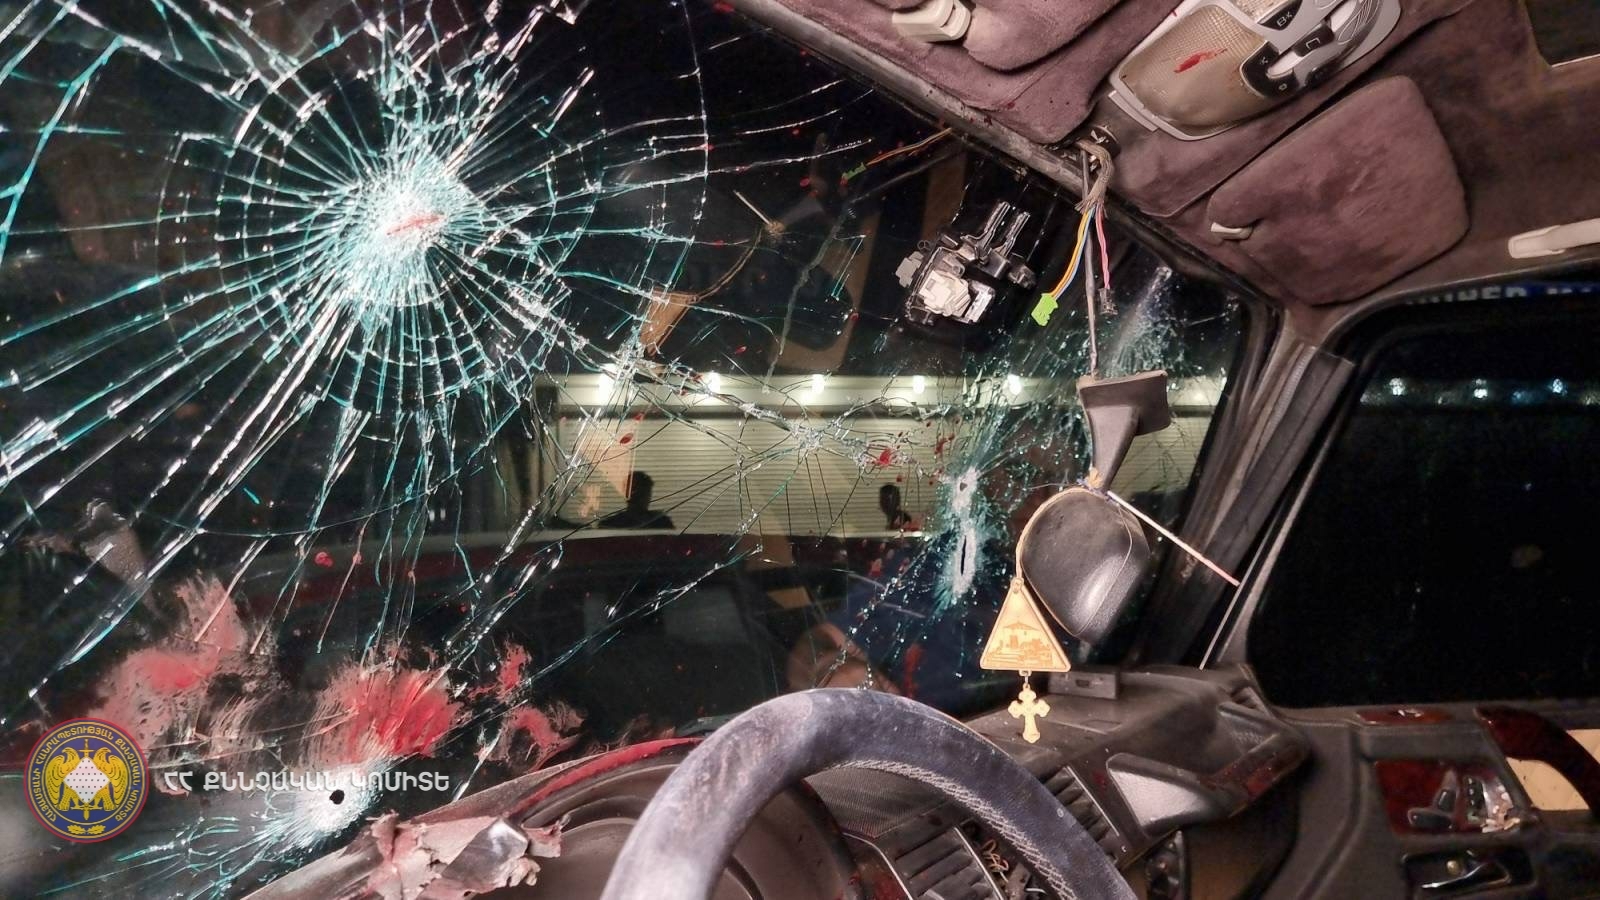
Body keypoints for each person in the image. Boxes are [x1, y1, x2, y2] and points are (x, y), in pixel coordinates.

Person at [599, 471, 675, 529]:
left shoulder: (661, 522)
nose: (644, 498)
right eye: (641, 493)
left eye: (646, 493)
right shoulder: (609, 525)